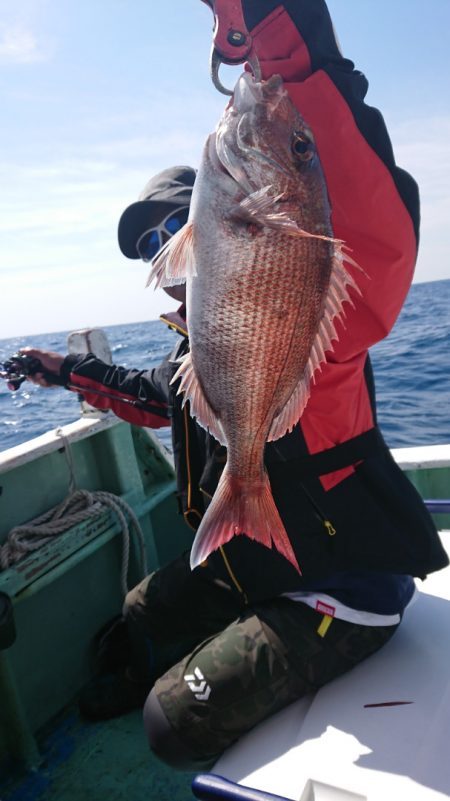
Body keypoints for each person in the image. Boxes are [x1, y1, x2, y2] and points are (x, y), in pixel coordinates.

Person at [21, 0, 448, 772]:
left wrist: (284, 37)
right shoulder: (204, 355)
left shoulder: (322, 322)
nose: (162, 251)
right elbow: (149, 393)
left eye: (170, 227)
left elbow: (371, 235)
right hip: (259, 559)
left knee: (168, 724)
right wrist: (60, 370)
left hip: (346, 581)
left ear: (203, 224)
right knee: (140, 607)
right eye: (149, 246)